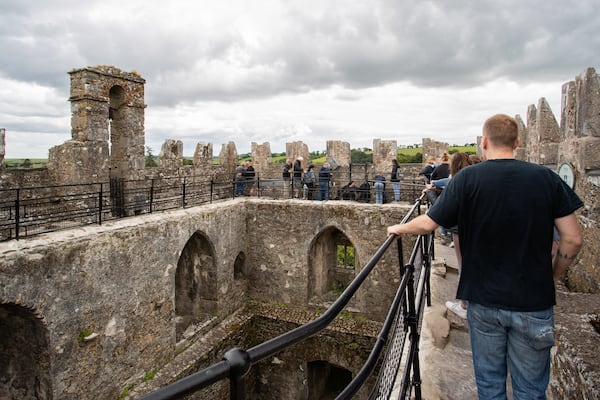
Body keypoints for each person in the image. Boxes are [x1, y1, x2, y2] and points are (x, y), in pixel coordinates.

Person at [387, 114, 583, 399]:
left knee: (490, 386)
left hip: (483, 299)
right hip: (533, 299)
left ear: (484, 142)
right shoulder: (546, 178)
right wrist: (552, 276)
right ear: (518, 142)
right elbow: (573, 239)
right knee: (530, 390)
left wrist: (398, 227)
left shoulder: (467, 178)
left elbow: (429, 224)